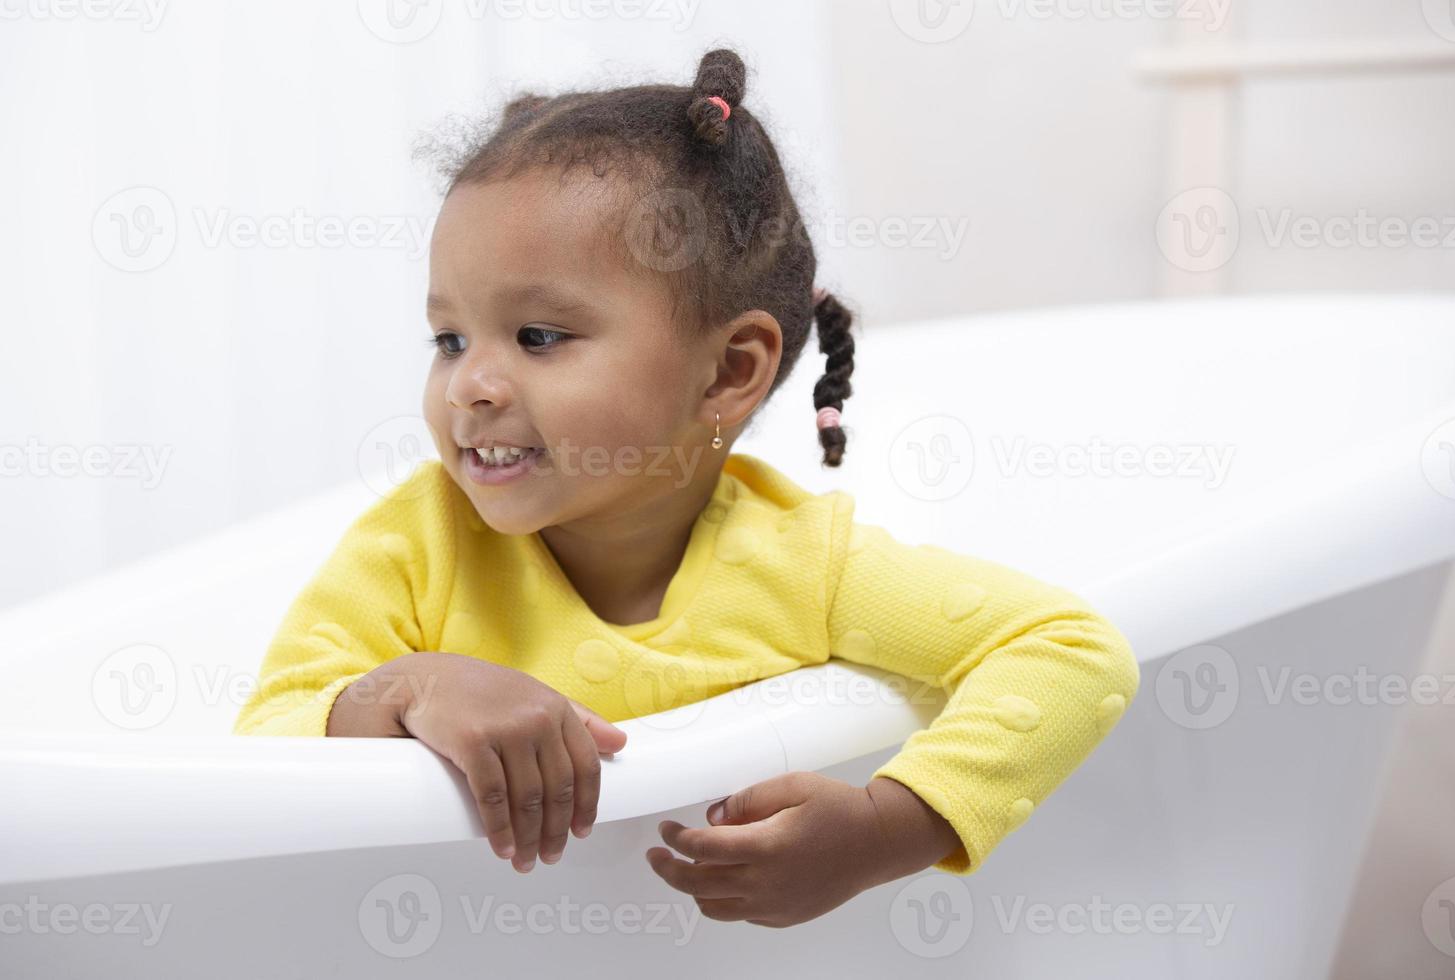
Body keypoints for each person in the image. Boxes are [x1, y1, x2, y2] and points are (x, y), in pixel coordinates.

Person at [233, 47, 1139, 929]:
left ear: (727, 373)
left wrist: (887, 828)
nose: (471, 384)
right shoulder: (417, 545)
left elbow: (1068, 651)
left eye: (539, 336)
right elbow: (261, 741)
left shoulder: (801, 562)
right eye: (450, 339)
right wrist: (412, 687)